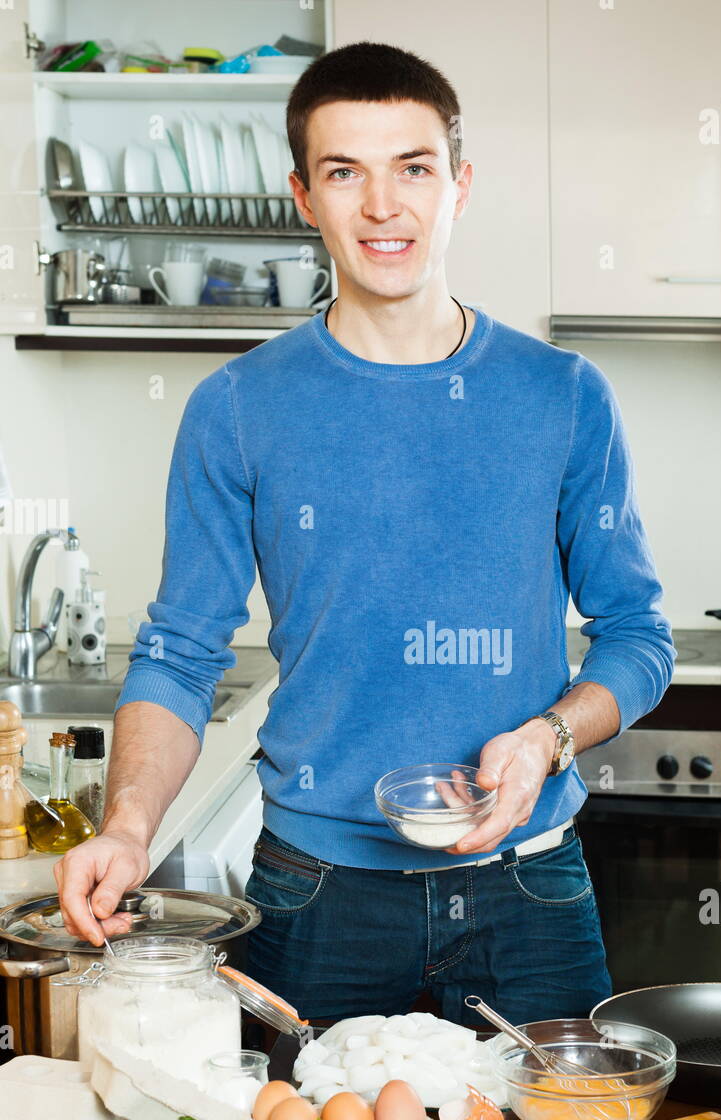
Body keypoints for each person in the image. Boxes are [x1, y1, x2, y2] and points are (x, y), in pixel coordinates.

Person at [56, 41, 675, 1026]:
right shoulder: (238, 409)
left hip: (527, 893)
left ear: (459, 186)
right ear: (305, 196)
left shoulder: (561, 396)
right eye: (347, 172)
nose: (383, 206)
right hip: (314, 899)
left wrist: (545, 738)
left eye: (413, 168)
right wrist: (128, 827)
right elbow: (179, 654)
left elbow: (638, 637)